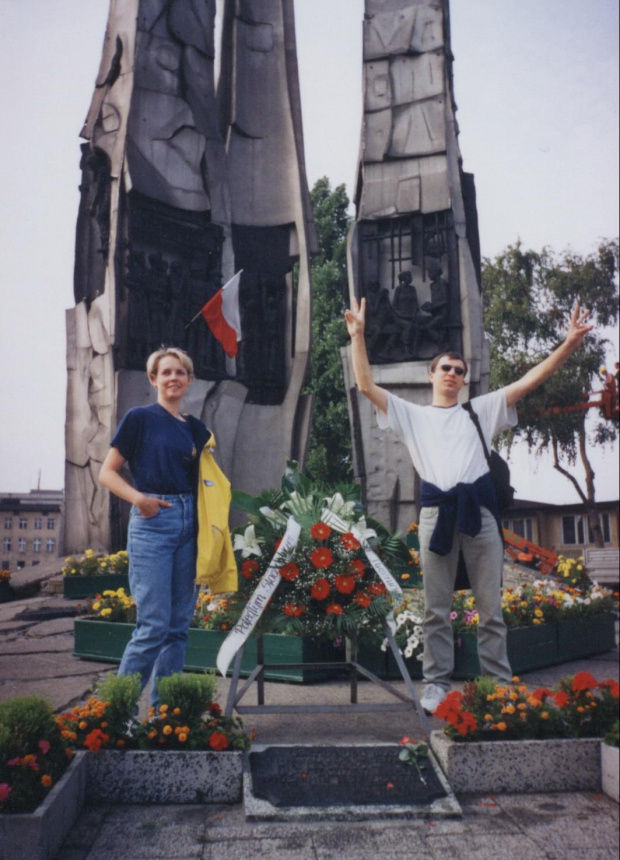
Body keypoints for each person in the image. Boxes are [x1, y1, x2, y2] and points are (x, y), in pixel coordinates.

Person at [344, 297, 593, 713]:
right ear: (432, 374)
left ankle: (498, 684)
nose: (454, 374)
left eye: (460, 371)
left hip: (480, 515)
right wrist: (357, 336)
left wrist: (568, 343)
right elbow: (366, 386)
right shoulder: (413, 415)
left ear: (464, 380)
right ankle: (436, 684)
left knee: (490, 609)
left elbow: (532, 379)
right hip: (435, 515)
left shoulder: (481, 410)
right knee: (435, 608)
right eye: (447, 368)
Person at [99, 347, 210, 705]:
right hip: (153, 522)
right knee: (153, 626)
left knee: (178, 629)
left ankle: (165, 715)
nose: (173, 378)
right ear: (154, 379)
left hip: (188, 523)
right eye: (166, 372)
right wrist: (139, 500)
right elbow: (107, 472)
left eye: (180, 372)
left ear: (189, 380)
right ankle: (119, 713)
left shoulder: (195, 428)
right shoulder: (139, 418)